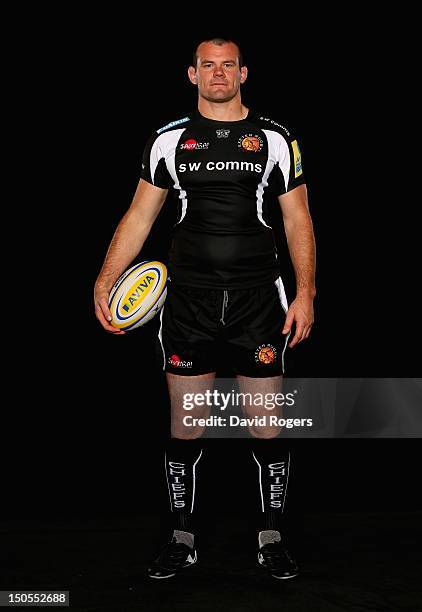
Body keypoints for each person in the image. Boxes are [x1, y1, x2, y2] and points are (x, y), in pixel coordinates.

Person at [94, 37, 316, 580]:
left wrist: (306, 291)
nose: (218, 74)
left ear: (244, 73)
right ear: (192, 75)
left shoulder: (275, 139)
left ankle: (271, 536)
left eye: (228, 65)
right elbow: (140, 216)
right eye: (208, 66)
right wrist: (105, 278)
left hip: (259, 299)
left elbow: (298, 220)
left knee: (266, 424)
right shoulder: (169, 140)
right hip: (187, 302)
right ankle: (182, 537)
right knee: (188, 425)